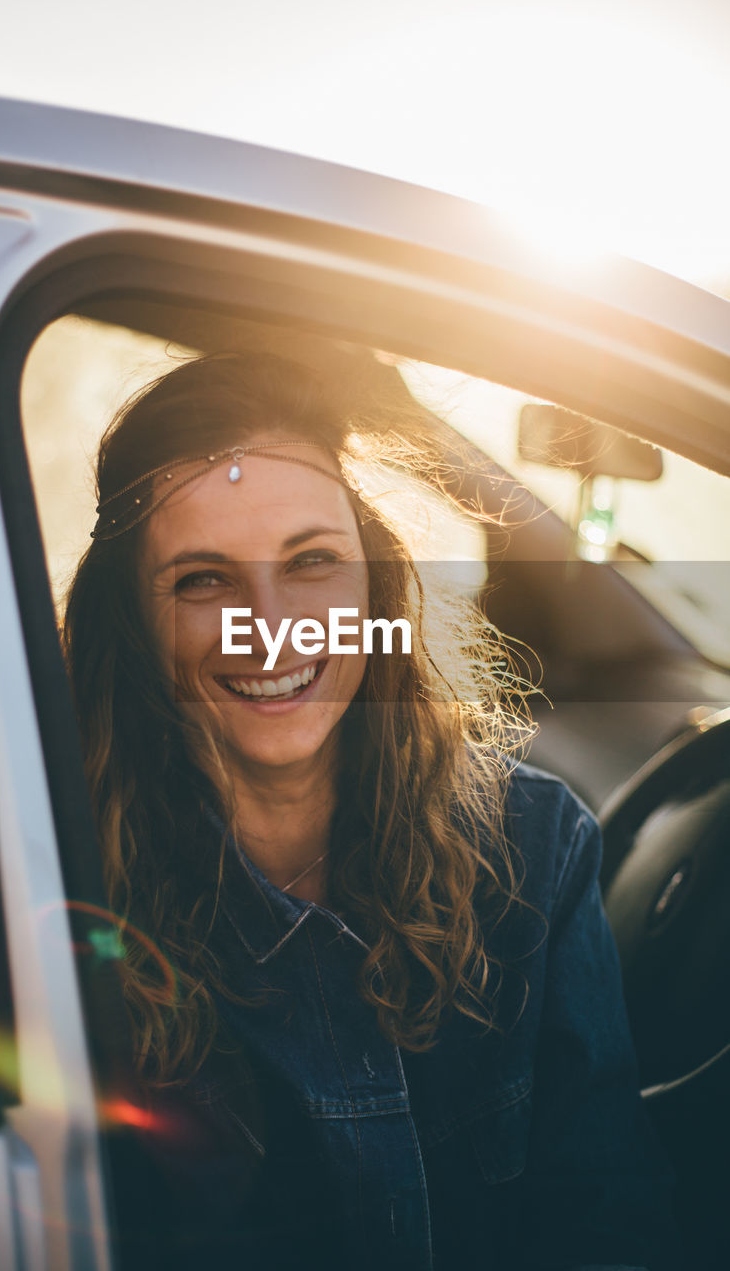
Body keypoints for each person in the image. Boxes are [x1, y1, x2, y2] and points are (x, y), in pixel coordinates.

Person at [63, 351, 678, 1270]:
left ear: (374, 582)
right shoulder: (66, 886)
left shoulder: (532, 850)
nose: (271, 625)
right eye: (203, 579)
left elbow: (606, 1229)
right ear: (134, 621)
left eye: (312, 562)